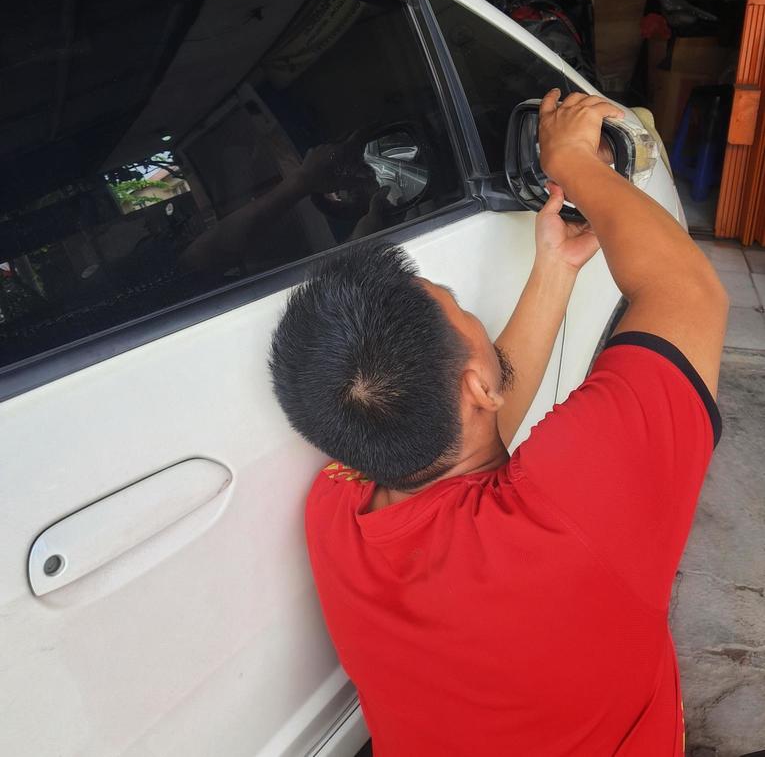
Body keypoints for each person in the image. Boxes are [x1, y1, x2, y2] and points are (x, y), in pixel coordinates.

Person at [269, 90, 729, 756]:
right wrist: (574, 160)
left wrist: (554, 270)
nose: (465, 310)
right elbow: (686, 292)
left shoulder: (337, 509)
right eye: (456, 307)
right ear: (475, 385)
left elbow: (468, 427)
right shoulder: (572, 519)